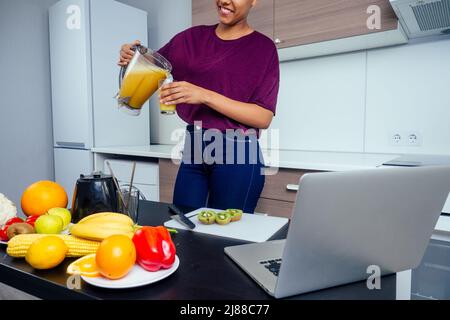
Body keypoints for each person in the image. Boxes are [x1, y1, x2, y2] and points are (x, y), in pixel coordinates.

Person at [119, 0, 280, 213]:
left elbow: (263, 117)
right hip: (194, 146)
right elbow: (151, 65)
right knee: (183, 225)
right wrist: (131, 54)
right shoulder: (191, 38)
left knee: (227, 235)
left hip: (238, 150)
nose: (225, 1)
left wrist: (204, 95)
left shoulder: (263, 48)